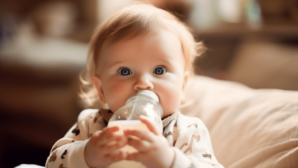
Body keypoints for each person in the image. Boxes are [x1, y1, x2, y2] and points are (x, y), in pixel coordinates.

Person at [46, 3, 224, 168]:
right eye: (125, 71)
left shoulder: (187, 131)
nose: (143, 83)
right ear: (100, 89)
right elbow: (53, 162)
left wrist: (170, 160)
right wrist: (87, 154)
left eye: (160, 70)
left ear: (182, 85)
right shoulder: (90, 123)